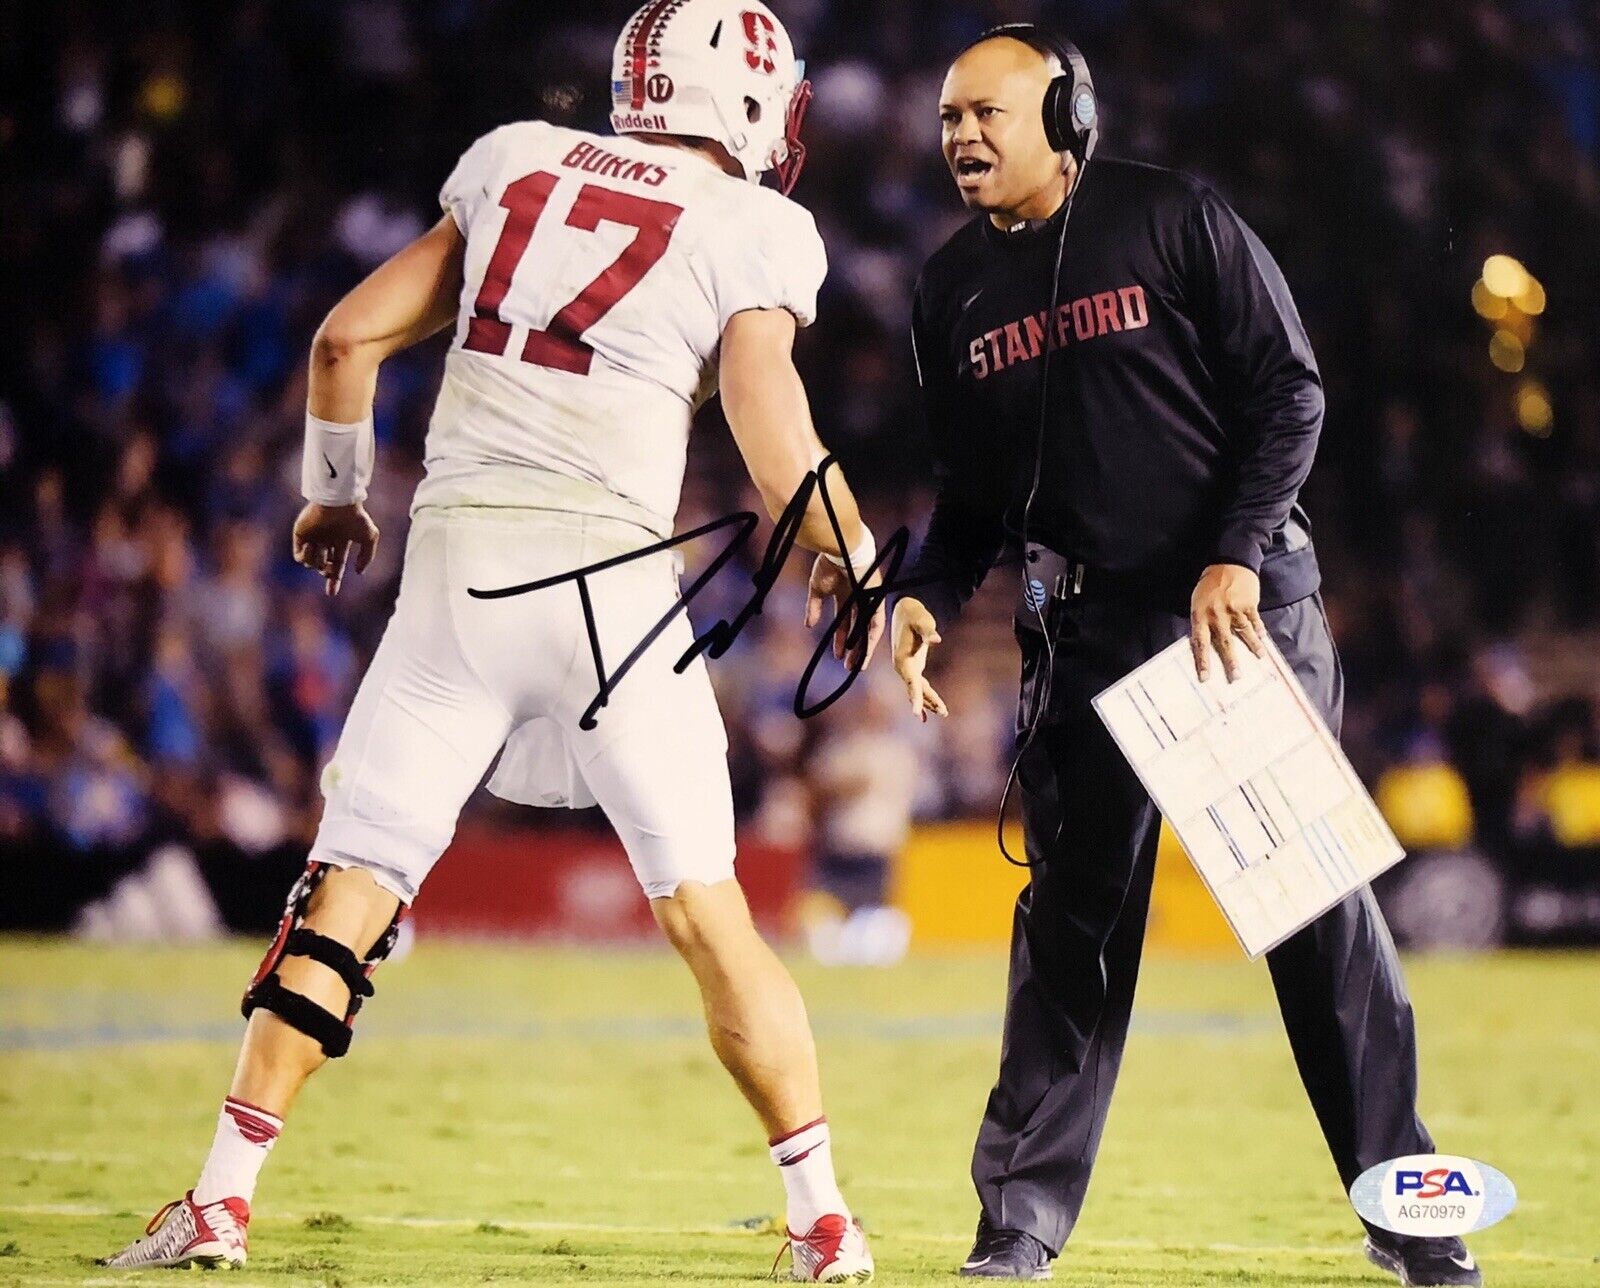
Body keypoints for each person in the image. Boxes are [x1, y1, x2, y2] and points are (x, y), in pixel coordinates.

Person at [105, 2, 881, 1281]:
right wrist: (850, 560)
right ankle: (824, 1222)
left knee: (348, 886)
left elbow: (345, 338)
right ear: (745, 100)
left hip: (460, 573)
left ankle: (221, 1199)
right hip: (615, 592)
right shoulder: (756, 225)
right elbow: (772, 429)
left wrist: (335, 489)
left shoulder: (516, 155)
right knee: (709, 918)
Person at [890, 26, 1480, 1287]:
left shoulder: (1171, 219)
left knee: (1314, 920)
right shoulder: (948, 290)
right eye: (948, 120)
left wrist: (1235, 551)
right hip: (1081, 635)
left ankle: (1412, 1215)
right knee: (1070, 934)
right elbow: (970, 491)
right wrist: (929, 591)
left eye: (987, 113)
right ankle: (1017, 1232)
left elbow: (1290, 393)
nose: (961, 138)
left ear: (1069, 112)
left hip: (1226, 621)